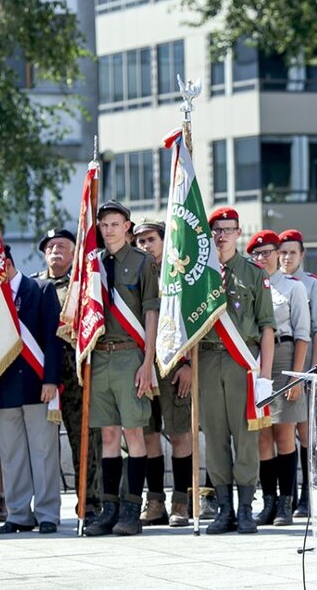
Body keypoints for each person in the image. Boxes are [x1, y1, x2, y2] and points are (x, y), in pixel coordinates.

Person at [84, 200, 159, 537]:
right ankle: (109, 506)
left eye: (115, 223)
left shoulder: (142, 262)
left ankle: (131, 508)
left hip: (131, 355)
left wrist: (148, 362)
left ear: (127, 226)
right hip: (100, 356)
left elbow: (151, 312)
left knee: (134, 434)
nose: (109, 229)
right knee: (109, 435)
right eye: (104, 224)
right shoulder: (93, 264)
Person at [199, 207, 275, 535]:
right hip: (207, 359)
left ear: (238, 233)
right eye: (217, 229)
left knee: (246, 438)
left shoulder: (254, 273)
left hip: (243, 363)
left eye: (229, 229)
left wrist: (265, 377)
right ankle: (224, 509)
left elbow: (267, 327)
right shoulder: (199, 274)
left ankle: (245, 508)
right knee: (215, 437)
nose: (222, 235)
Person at [0, 247, 63, 534]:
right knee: (11, 454)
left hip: (37, 384)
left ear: (6, 264)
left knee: (43, 451)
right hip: (3, 387)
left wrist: (51, 380)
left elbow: (53, 339)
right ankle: (18, 513)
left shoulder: (41, 289)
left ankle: (47, 513)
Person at [33, 227, 103, 516]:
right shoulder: (34, 286)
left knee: (83, 441)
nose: (55, 252)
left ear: (75, 251)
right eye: (50, 247)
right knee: (39, 445)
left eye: (62, 246)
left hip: (77, 378)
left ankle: (90, 502)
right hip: (41, 379)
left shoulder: (83, 286)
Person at [132, 219, 194, 527]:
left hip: (174, 364)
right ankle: (154, 501)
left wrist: (189, 366)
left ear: (164, 241)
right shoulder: (134, 275)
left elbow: (194, 323)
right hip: (144, 365)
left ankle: (181, 502)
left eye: (150, 239)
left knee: (180, 433)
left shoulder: (179, 276)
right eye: (140, 241)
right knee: (148, 434)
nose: (144, 246)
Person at [247, 230, 310, 527]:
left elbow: (302, 335)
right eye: (256, 254)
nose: (262, 258)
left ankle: (287, 501)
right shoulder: (249, 285)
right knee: (262, 435)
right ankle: (269, 501)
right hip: (256, 362)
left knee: (284, 434)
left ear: (277, 253)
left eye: (267, 252)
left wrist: (296, 377)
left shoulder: (293, 288)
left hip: (284, 359)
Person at [277, 228, 317, 517]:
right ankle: (289, 494)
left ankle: (308, 494)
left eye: (292, 252)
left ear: (302, 254)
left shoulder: (310, 284)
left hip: (305, 362)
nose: (286, 257)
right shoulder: (276, 282)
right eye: (282, 252)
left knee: (305, 430)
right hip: (282, 362)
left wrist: (313, 371)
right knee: (284, 429)